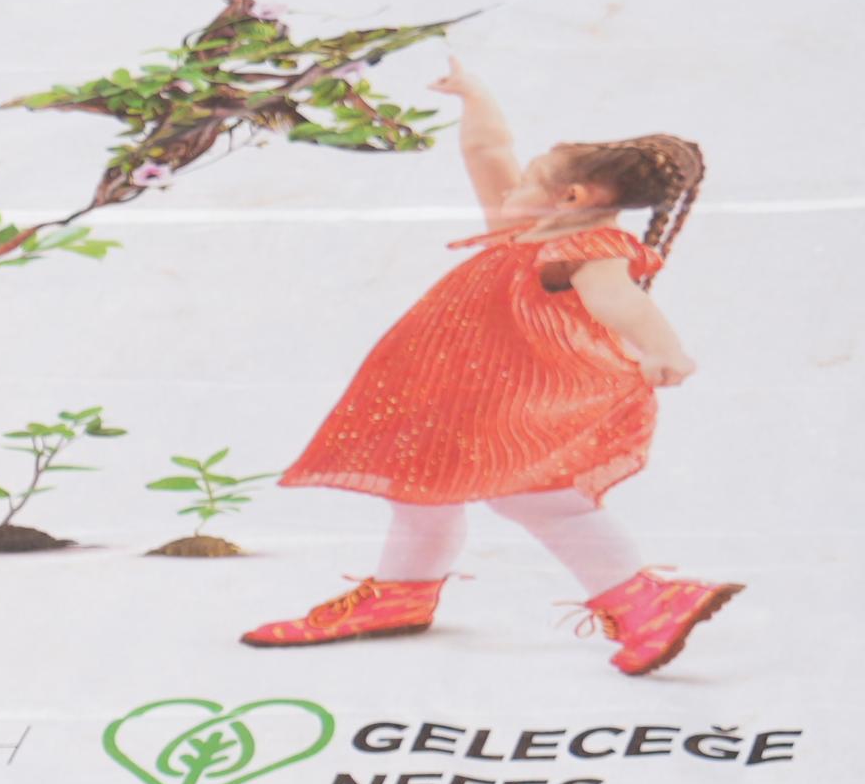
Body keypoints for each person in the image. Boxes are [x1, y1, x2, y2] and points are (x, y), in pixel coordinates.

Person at [244, 59, 724, 674]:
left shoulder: (588, 246)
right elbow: (488, 150)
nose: (508, 189)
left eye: (526, 181)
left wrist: (664, 349)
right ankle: (400, 593)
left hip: (518, 399)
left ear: (572, 198)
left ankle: (644, 598)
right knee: (420, 490)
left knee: (537, 498)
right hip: (450, 393)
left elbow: (617, 300)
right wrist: (474, 96)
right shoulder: (526, 227)